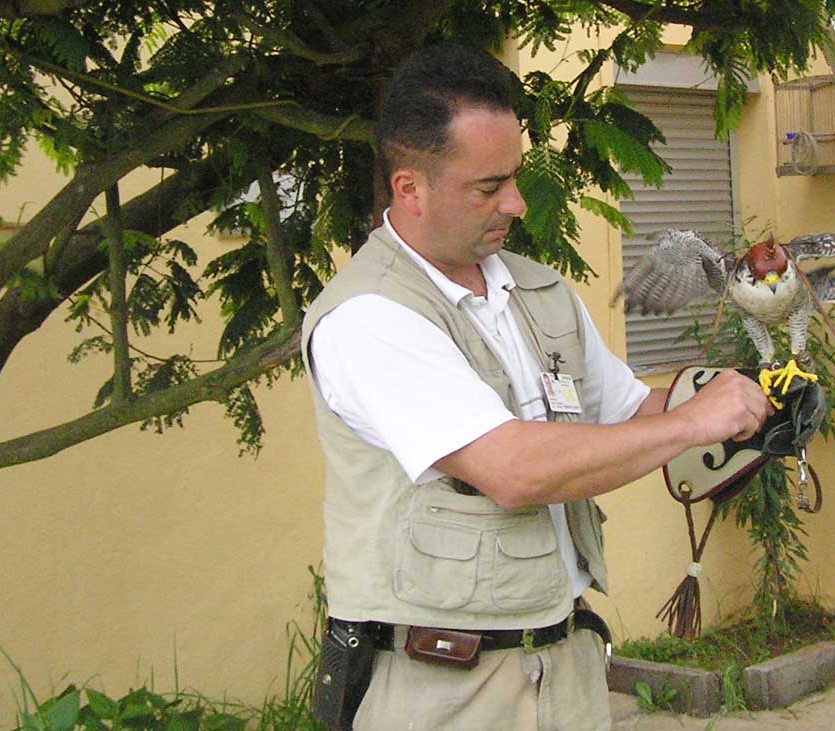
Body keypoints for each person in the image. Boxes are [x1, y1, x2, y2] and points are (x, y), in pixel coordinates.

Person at [300, 42, 773, 731]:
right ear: (411, 188)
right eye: (488, 187)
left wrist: (751, 402)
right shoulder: (369, 317)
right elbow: (514, 469)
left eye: (515, 177)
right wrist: (694, 421)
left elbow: (633, 411)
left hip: (569, 666)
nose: (516, 203)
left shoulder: (538, 290)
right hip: (448, 691)